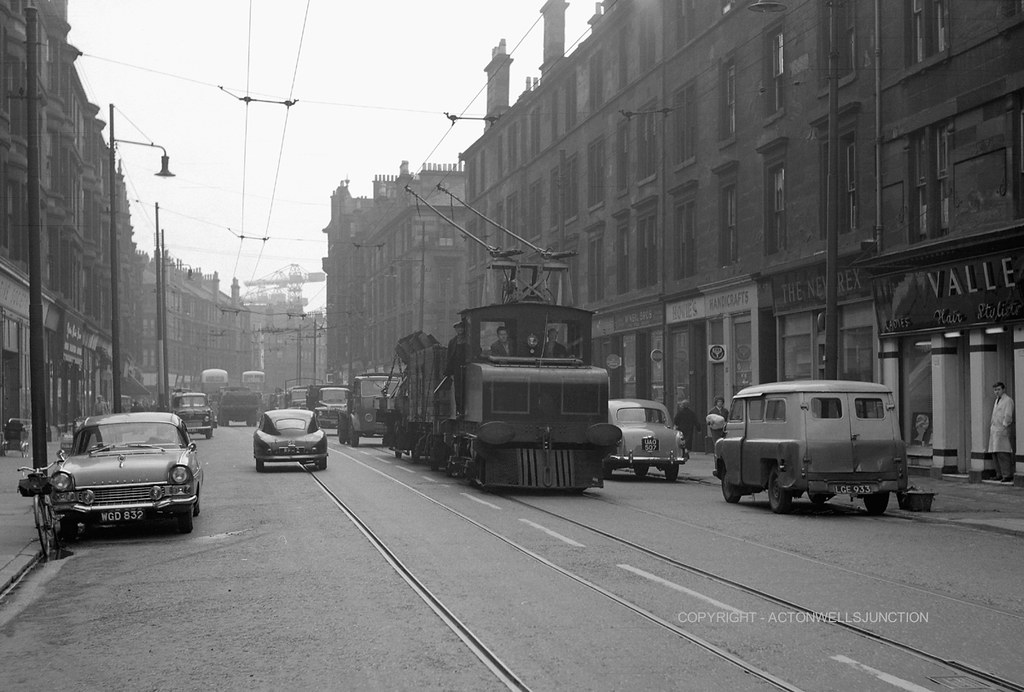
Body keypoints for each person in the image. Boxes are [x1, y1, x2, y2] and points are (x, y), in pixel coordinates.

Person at [989, 381, 1015, 482]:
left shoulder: (1008, 400)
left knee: (1003, 453)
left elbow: (1008, 415)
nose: (997, 392)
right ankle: (999, 473)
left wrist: (1004, 425)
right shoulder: (997, 400)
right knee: (995, 453)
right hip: (995, 430)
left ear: (1003, 389)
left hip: (1002, 430)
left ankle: (1007, 474)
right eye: (995, 390)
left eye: (999, 389)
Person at [445, 321, 468, 414]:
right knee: (458, 389)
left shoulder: (468, 339)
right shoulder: (452, 342)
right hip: (457, 367)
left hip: (467, 366)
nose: (460, 330)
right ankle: (459, 409)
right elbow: (449, 357)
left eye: (461, 328)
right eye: (458, 328)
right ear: (456, 329)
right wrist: (450, 372)